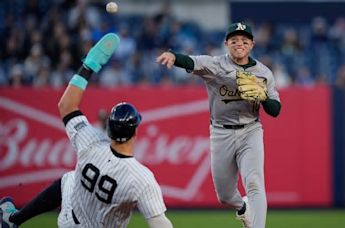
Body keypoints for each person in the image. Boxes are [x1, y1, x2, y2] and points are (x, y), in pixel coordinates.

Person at [0, 33, 173, 228]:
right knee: (70, 181)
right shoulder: (141, 177)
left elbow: (66, 105)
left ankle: (13, 220)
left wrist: (88, 66)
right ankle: (13, 220)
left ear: (108, 129)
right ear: (135, 132)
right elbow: (159, 222)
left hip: (68, 222)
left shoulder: (90, 143)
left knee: (70, 180)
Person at [156, 22, 281, 228]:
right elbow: (192, 61)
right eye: (234, 40)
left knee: (254, 183)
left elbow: (275, 110)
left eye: (244, 40)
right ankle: (242, 208)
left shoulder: (263, 73)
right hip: (221, 132)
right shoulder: (215, 65)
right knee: (224, 195)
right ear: (226, 44)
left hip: (251, 130)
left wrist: (264, 98)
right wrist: (173, 56)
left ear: (252, 44)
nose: (239, 44)